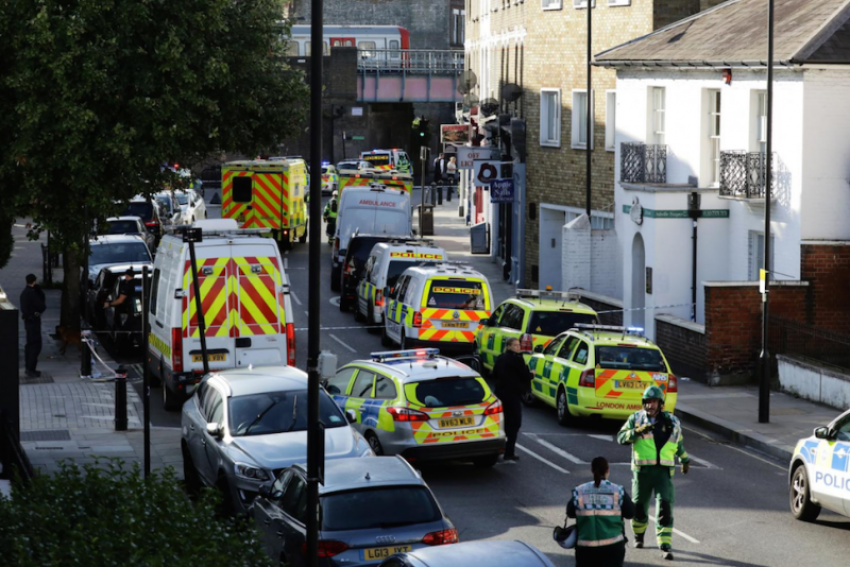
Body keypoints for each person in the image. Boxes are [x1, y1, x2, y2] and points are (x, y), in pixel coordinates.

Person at [617, 385, 690, 561]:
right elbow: (620, 437)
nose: (650, 405)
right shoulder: (636, 419)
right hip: (642, 473)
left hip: (663, 473)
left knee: (665, 507)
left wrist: (684, 459)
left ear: (660, 404)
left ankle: (665, 545)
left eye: (654, 402)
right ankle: (639, 536)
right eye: (647, 402)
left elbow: (677, 442)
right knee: (639, 508)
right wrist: (636, 432)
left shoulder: (672, 422)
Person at [566, 456, 635, 567]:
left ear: (592, 470)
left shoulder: (580, 491)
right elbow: (630, 513)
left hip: (585, 548)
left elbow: (570, 513)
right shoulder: (618, 490)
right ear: (608, 470)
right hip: (613, 547)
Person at [491, 337, 533, 461]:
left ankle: (497, 448)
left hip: (500, 395)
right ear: (508, 346)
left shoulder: (500, 358)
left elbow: (494, 373)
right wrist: (532, 374)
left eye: (518, 345)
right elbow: (525, 375)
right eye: (515, 345)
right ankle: (509, 452)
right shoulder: (517, 359)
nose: (518, 347)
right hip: (513, 396)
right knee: (514, 424)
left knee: (502, 422)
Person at [20, 273, 47, 378]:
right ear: (34, 281)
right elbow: (42, 306)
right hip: (33, 321)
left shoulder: (24, 293)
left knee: (29, 345)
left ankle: (28, 367)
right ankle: (31, 368)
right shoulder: (32, 293)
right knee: (35, 345)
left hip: (27, 321)